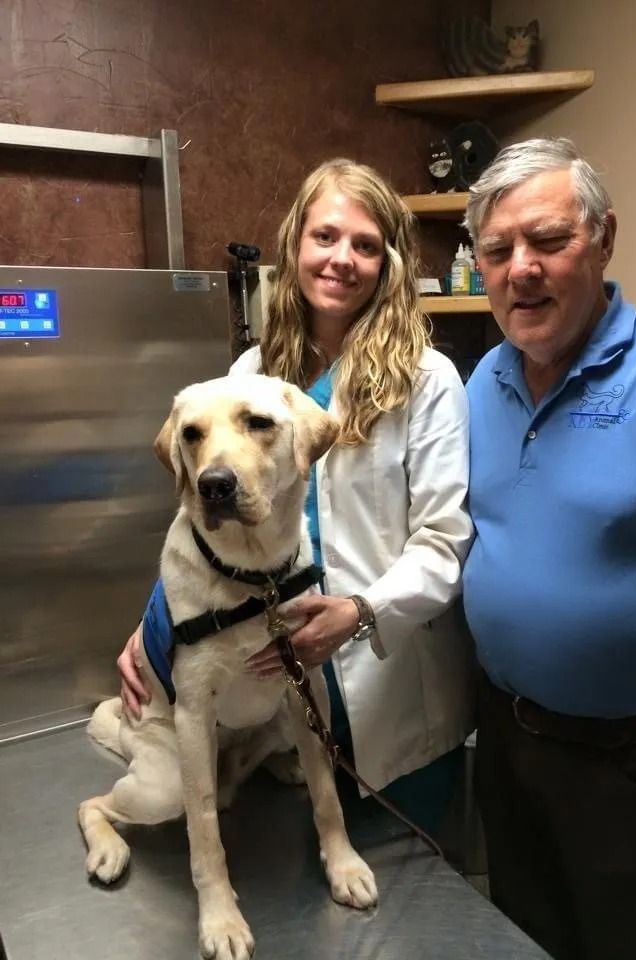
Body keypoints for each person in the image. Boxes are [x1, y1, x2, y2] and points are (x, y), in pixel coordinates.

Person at [118, 157, 476, 835]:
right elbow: (206, 519)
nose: (342, 259)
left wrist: (361, 611)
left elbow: (443, 542)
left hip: (388, 690)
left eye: (366, 245)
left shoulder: (427, 381)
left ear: (389, 264)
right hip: (275, 704)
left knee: (413, 905)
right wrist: (156, 629)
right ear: (295, 248)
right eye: (326, 237)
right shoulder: (252, 374)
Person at [462, 135, 636, 960]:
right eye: (498, 251)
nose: (522, 269)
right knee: (525, 936)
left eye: (548, 240)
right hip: (507, 743)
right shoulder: (481, 381)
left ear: (604, 238)